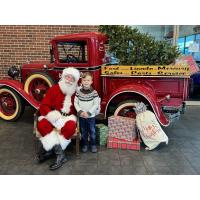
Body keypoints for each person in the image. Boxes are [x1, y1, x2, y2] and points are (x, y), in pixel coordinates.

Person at [36, 67, 80, 170]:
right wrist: (52, 116)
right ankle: (60, 155)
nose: (69, 80)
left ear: (75, 81)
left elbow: (83, 105)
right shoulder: (54, 89)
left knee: (71, 127)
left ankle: (53, 151)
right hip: (55, 115)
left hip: (68, 117)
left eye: (72, 78)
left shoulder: (77, 92)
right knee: (42, 124)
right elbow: (44, 105)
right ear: (63, 77)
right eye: (67, 77)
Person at [74, 72, 100, 153]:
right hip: (82, 116)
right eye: (84, 80)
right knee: (83, 131)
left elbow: (96, 104)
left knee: (92, 131)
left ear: (91, 81)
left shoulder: (94, 92)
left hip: (91, 116)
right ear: (81, 81)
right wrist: (80, 112)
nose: (86, 82)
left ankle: (93, 145)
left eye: (88, 80)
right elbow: (75, 103)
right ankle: (85, 144)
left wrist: (88, 113)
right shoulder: (78, 92)